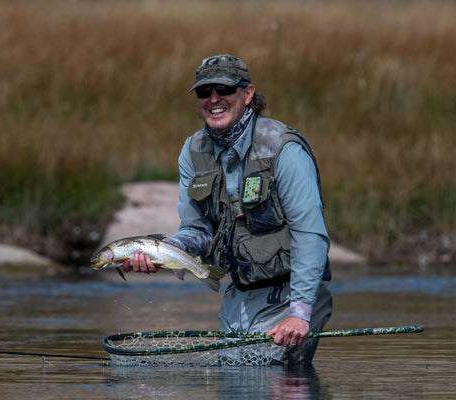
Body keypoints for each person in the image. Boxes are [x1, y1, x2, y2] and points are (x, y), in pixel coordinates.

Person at [123, 54, 332, 365]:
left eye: (224, 89)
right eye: (204, 92)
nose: (214, 99)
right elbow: (196, 230)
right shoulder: (193, 152)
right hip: (236, 299)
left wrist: (299, 316)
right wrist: (164, 252)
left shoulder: (282, 149)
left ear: (247, 94)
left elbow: (310, 236)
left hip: (289, 299)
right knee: (237, 380)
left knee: (270, 379)